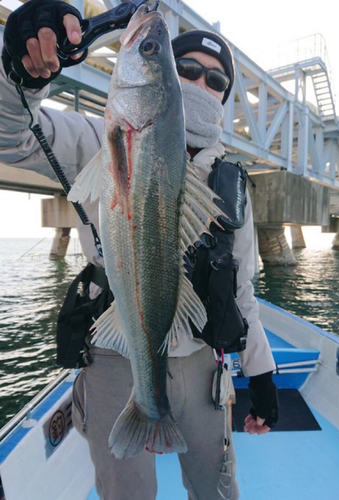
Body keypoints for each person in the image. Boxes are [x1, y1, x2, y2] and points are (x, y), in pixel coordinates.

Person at [0, 1, 278, 499]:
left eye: (217, 81)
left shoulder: (232, 184)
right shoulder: (99, 138)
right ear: (169, 80)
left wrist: (261, 375)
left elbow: (243, 292)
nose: (201, 83)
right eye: (185, 68)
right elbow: (12, 138)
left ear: (225, 98)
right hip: (112, 352)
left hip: (200, 360)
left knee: (218, 488)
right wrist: (19, 76)